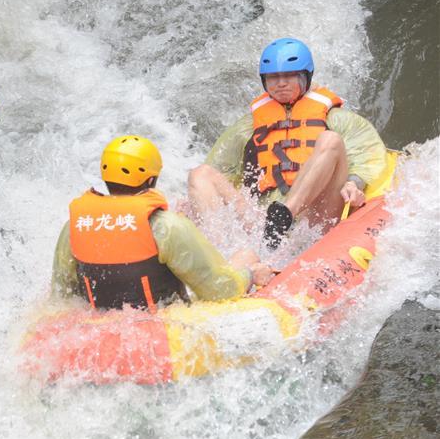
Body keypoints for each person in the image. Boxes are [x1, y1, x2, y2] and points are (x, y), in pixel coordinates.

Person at [187, 38, 388, 248]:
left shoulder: (337, 119)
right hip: (261, 222)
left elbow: (368, 157)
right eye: (273, 77)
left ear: (306, 76)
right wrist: (193, 203)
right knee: (200, 173)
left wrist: (354, 183)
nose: (281, 83)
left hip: (315, 216)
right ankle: (219, 256)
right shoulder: (247, 128)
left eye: (289, 75)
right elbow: (220, 171)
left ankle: (285, 215)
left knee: (331, 140)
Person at [51, 135, 274, 311]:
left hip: (105, 326)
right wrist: (251, 275)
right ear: (151, 179)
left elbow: (63, 294)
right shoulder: (166, 226)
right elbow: (216, 290)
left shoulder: (74, 227)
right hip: (165, 326)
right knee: (247, 256)